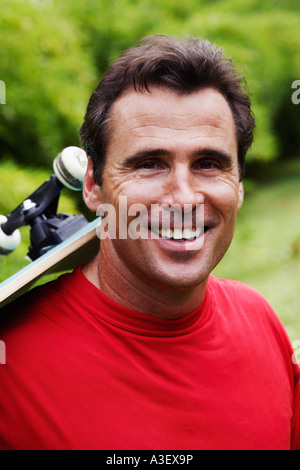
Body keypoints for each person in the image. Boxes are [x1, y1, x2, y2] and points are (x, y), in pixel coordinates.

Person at [0, 35, 299, 450]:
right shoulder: (10, 368)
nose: (184, 197)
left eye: (209, 163)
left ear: (240, 187)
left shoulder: (261, 321)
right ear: (93, 186)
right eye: (149, 164)